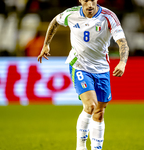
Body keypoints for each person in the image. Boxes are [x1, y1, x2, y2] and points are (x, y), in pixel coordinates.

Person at [37, 0, 129, 150]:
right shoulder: (71, 14)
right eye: (86, 0)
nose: (90, 4)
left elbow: (122, 42)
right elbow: (55, 21)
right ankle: (80, 147)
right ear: (80, 0)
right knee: (91, 105)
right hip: (79, 65)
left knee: (99, 112)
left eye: (93, 0)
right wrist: (46, 44)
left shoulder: (108, 16)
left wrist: (122, 62)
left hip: (101, 69)